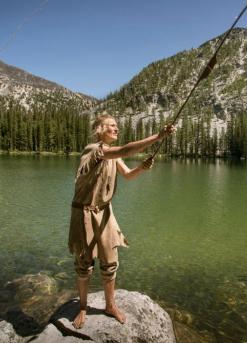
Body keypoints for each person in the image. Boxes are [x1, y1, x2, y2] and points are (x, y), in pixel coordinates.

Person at [68, 114, 176, 328]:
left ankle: (110, 305)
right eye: (112, 126)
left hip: (106, 212)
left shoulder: (112, 156)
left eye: (117, 126)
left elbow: (127, 175)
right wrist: (159, 135)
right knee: (84, 265)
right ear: (99, 129)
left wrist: (141, 168)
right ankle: (82, 307)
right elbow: (125, 149)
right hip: (84, 213)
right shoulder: (94, 150)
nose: (116, 129)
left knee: (110, 262)